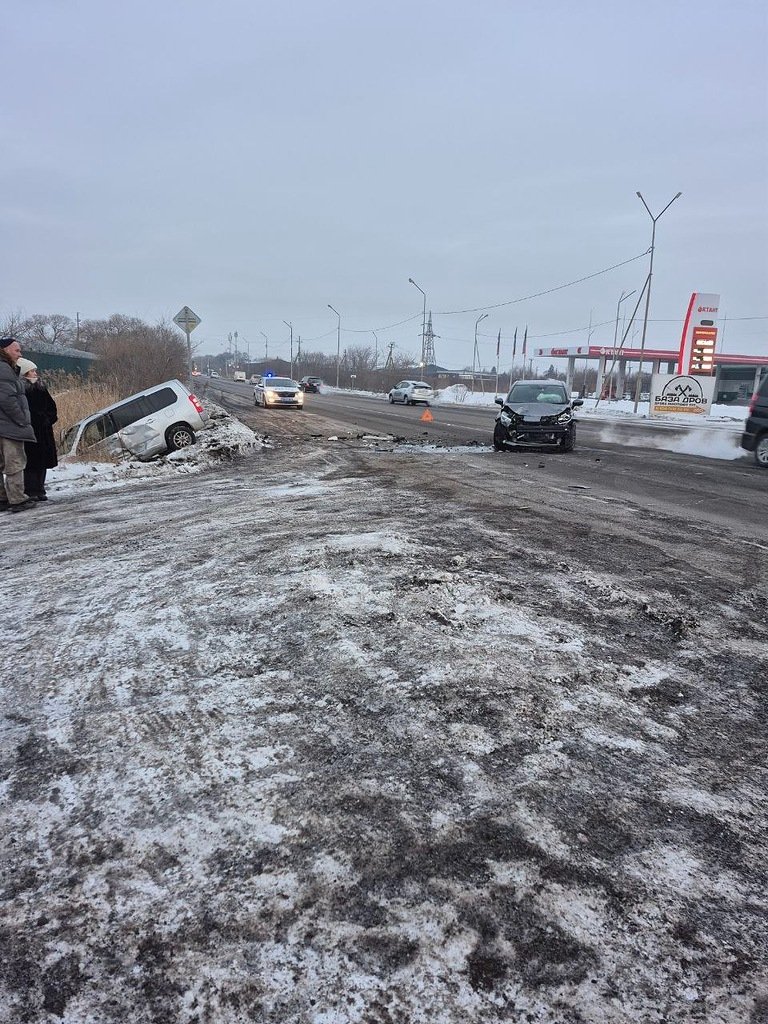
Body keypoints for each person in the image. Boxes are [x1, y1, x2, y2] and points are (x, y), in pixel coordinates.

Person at [0, 337, 37, 513]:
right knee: (14, 462)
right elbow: (7, 399)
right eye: (17, 350)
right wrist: (21, 419)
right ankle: (17, 499)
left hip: (4, 425)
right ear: (5, 350)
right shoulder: (4, 369)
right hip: (9, 426)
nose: (20, 354)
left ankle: (2, 498)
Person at [16, 358, 58, 501]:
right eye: (32, 371)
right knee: (31, 460)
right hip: (29, 429)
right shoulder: (20, 389)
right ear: (24, 372)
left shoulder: (41, 387)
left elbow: (51, 406)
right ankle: (31, 489)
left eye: (35, 370)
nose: (35, 373)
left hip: (44, 430)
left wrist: (49, 419)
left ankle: (40, 488)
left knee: (42, 460)